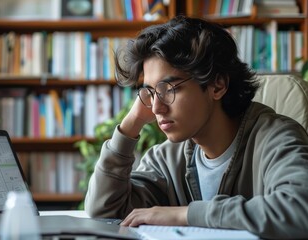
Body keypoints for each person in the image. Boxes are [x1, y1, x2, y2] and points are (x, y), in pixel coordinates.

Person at [84, 15, 308, 239]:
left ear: (217, 85)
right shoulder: (166, 160)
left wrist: (186, 215)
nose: (156, 108)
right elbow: (105, 212)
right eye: (150, 92)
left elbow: (300, 211)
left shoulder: (277, 138)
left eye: (169, 88)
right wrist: (131, 123)